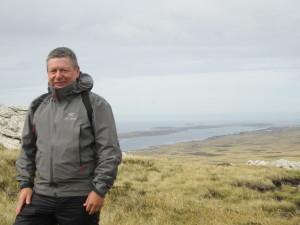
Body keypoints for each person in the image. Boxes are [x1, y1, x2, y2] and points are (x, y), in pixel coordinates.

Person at [14, 47, 122, 225]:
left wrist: (99, 190)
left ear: (76, 71)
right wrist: (25, 185)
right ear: (47, 73)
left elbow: (109, 151)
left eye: (64, 70)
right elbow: (27, 150)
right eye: (53, 71)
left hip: (80, 198)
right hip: (40, 196)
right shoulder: (38, 105)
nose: (58, 75)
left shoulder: (95, 104)